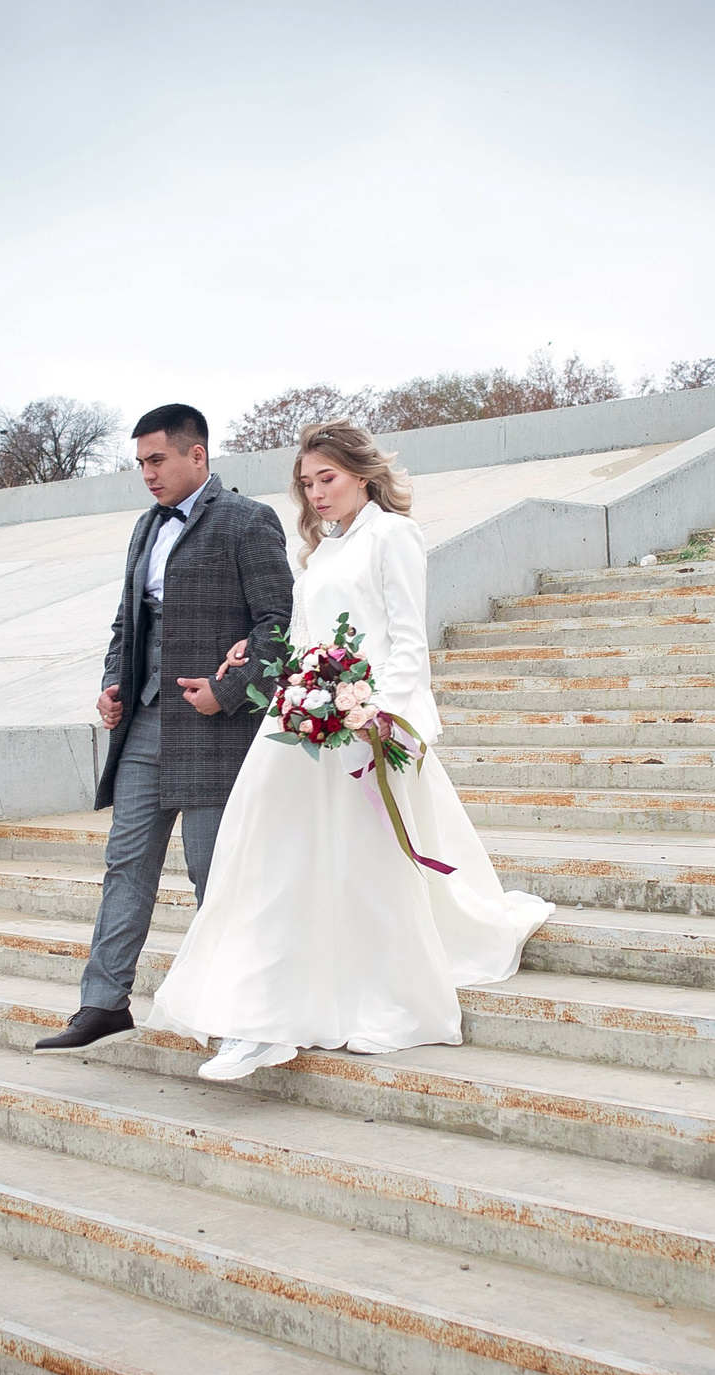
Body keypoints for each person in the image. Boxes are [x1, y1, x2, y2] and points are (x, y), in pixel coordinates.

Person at [148, 419, 553, 1079]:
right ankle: (256, 1017)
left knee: (365, 870)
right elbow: (306, 640)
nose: (315, 494)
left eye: (326, 478)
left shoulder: (394, 535)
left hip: (368, 724)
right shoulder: (320, 552)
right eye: (306, 484)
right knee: (270, 866)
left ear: (362, 474)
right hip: (302, 726)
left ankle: (367, 998)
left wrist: (381, 718)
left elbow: (404, 638)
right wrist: (267, 667)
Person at [32, 403, 294, 1053]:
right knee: (126, 866)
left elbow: (279, 626)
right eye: (140, 464)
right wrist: (112, 683)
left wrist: (229, 691)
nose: (146, 475)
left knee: (216, 877)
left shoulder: (247, 521)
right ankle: (102, 1004)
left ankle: (234, 1015)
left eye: (157, 460)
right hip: (145, 725)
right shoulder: (145, 527)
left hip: (216, 730)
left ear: (196, 455)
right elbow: (128, 623)